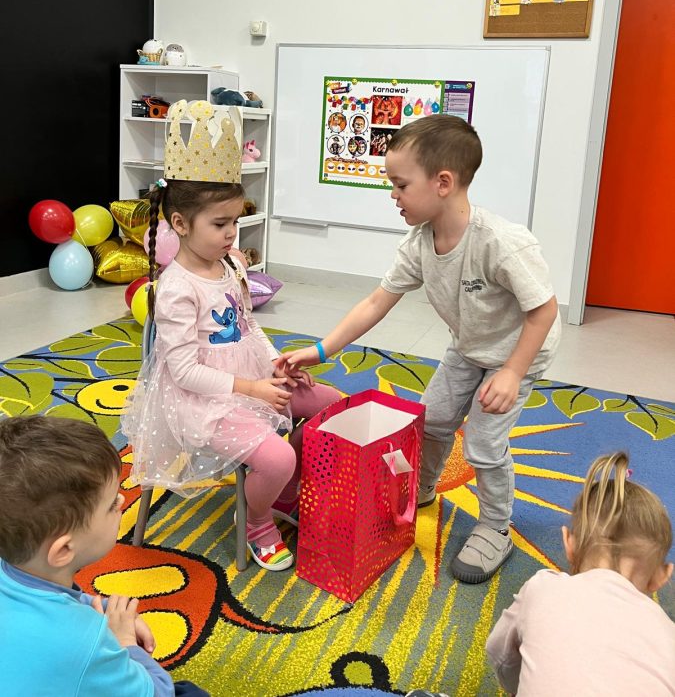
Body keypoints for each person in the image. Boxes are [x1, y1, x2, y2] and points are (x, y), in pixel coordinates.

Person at [279, 115, 560, 583]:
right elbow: (376, 302)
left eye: (400, 184)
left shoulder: (500, 243)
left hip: (518, 351)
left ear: (442, 183)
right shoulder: (419, 243)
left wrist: (512, 372)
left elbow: (543, 311)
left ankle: (496, 526)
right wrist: (321, 350)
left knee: (484, 444)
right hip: (468, 347)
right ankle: (420, 489)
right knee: (431, 422)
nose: (393, 195)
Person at [123, 100, 341, 572]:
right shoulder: (176, 289)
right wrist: (253, 389)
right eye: (220, 224)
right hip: (199, 400)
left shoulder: (231, 265)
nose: (231, 234)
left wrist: (277, 364)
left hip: (248, 378)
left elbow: (248, 325)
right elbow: (184, 372)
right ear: (180, 224)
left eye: (235, 222)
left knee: (331, 406)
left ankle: (278, 490)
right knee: (277, 457)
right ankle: (258, 520)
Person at [0, 414, 208, 696]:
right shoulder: (85, 641)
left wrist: (102, 608)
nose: (122, 501)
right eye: (111, 505)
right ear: (64, 550)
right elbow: (159, 692)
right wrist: (124, 642)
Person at [486, 452, 675, 695]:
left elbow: (499, 652)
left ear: (569, 543)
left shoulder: (543, 587)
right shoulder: (669, 636)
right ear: (662, 576)